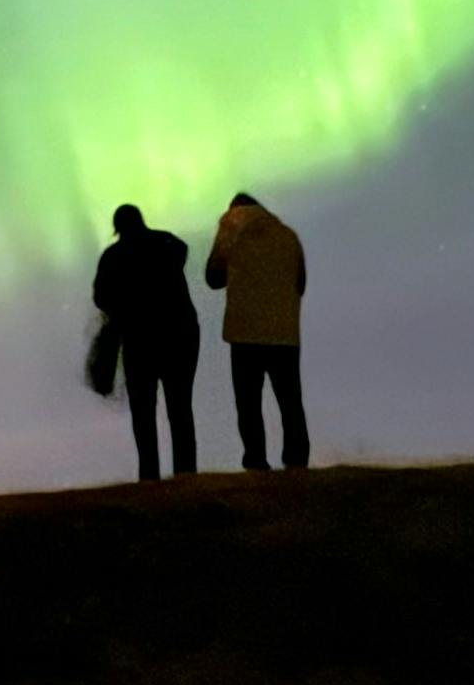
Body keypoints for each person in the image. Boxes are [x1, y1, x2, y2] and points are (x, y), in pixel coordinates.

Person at [92, 204, 202, 481]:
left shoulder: (113, 256)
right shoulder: (168, 243)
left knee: (143, 413)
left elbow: (101, 299)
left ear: (118, 228)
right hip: (179, 336)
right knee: (180, 409)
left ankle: (149, 475)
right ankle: (186, 473)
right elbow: (182, 251)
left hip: (138, 342)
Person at [207, 191, 312, 471]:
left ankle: (255, 459)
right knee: (290, 401)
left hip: (244, 331)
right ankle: (296, 459)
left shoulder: (231, 225)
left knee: (248, 402)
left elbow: (213, 276)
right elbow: (300, 283)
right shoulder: (287, 235)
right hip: (284, 333)